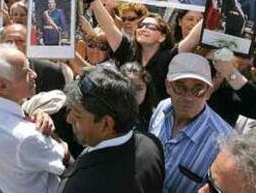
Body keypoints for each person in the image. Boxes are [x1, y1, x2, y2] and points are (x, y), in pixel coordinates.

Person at [0, 44, 69, 193]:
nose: (34, 74)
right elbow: (64, 156)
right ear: (2, 85)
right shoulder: (28, 137)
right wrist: (51, 134)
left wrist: (33, 113)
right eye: (25, 72)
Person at [59, 67, 164, 193]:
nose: (69, 119)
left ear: (107, 124)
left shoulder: (80, 186)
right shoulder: (151, 145)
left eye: (77, 115)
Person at [149, 53, 232, 193]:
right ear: (168, 86)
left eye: (198, 89)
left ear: (209, 92)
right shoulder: (162, 108)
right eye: (180, 88)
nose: (188, 97)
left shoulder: (225, 143)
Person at [120, 62, 157, 132]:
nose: (134, 93)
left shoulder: (154, 117)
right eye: (129, 87)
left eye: (139, 88)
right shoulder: (110, 117)